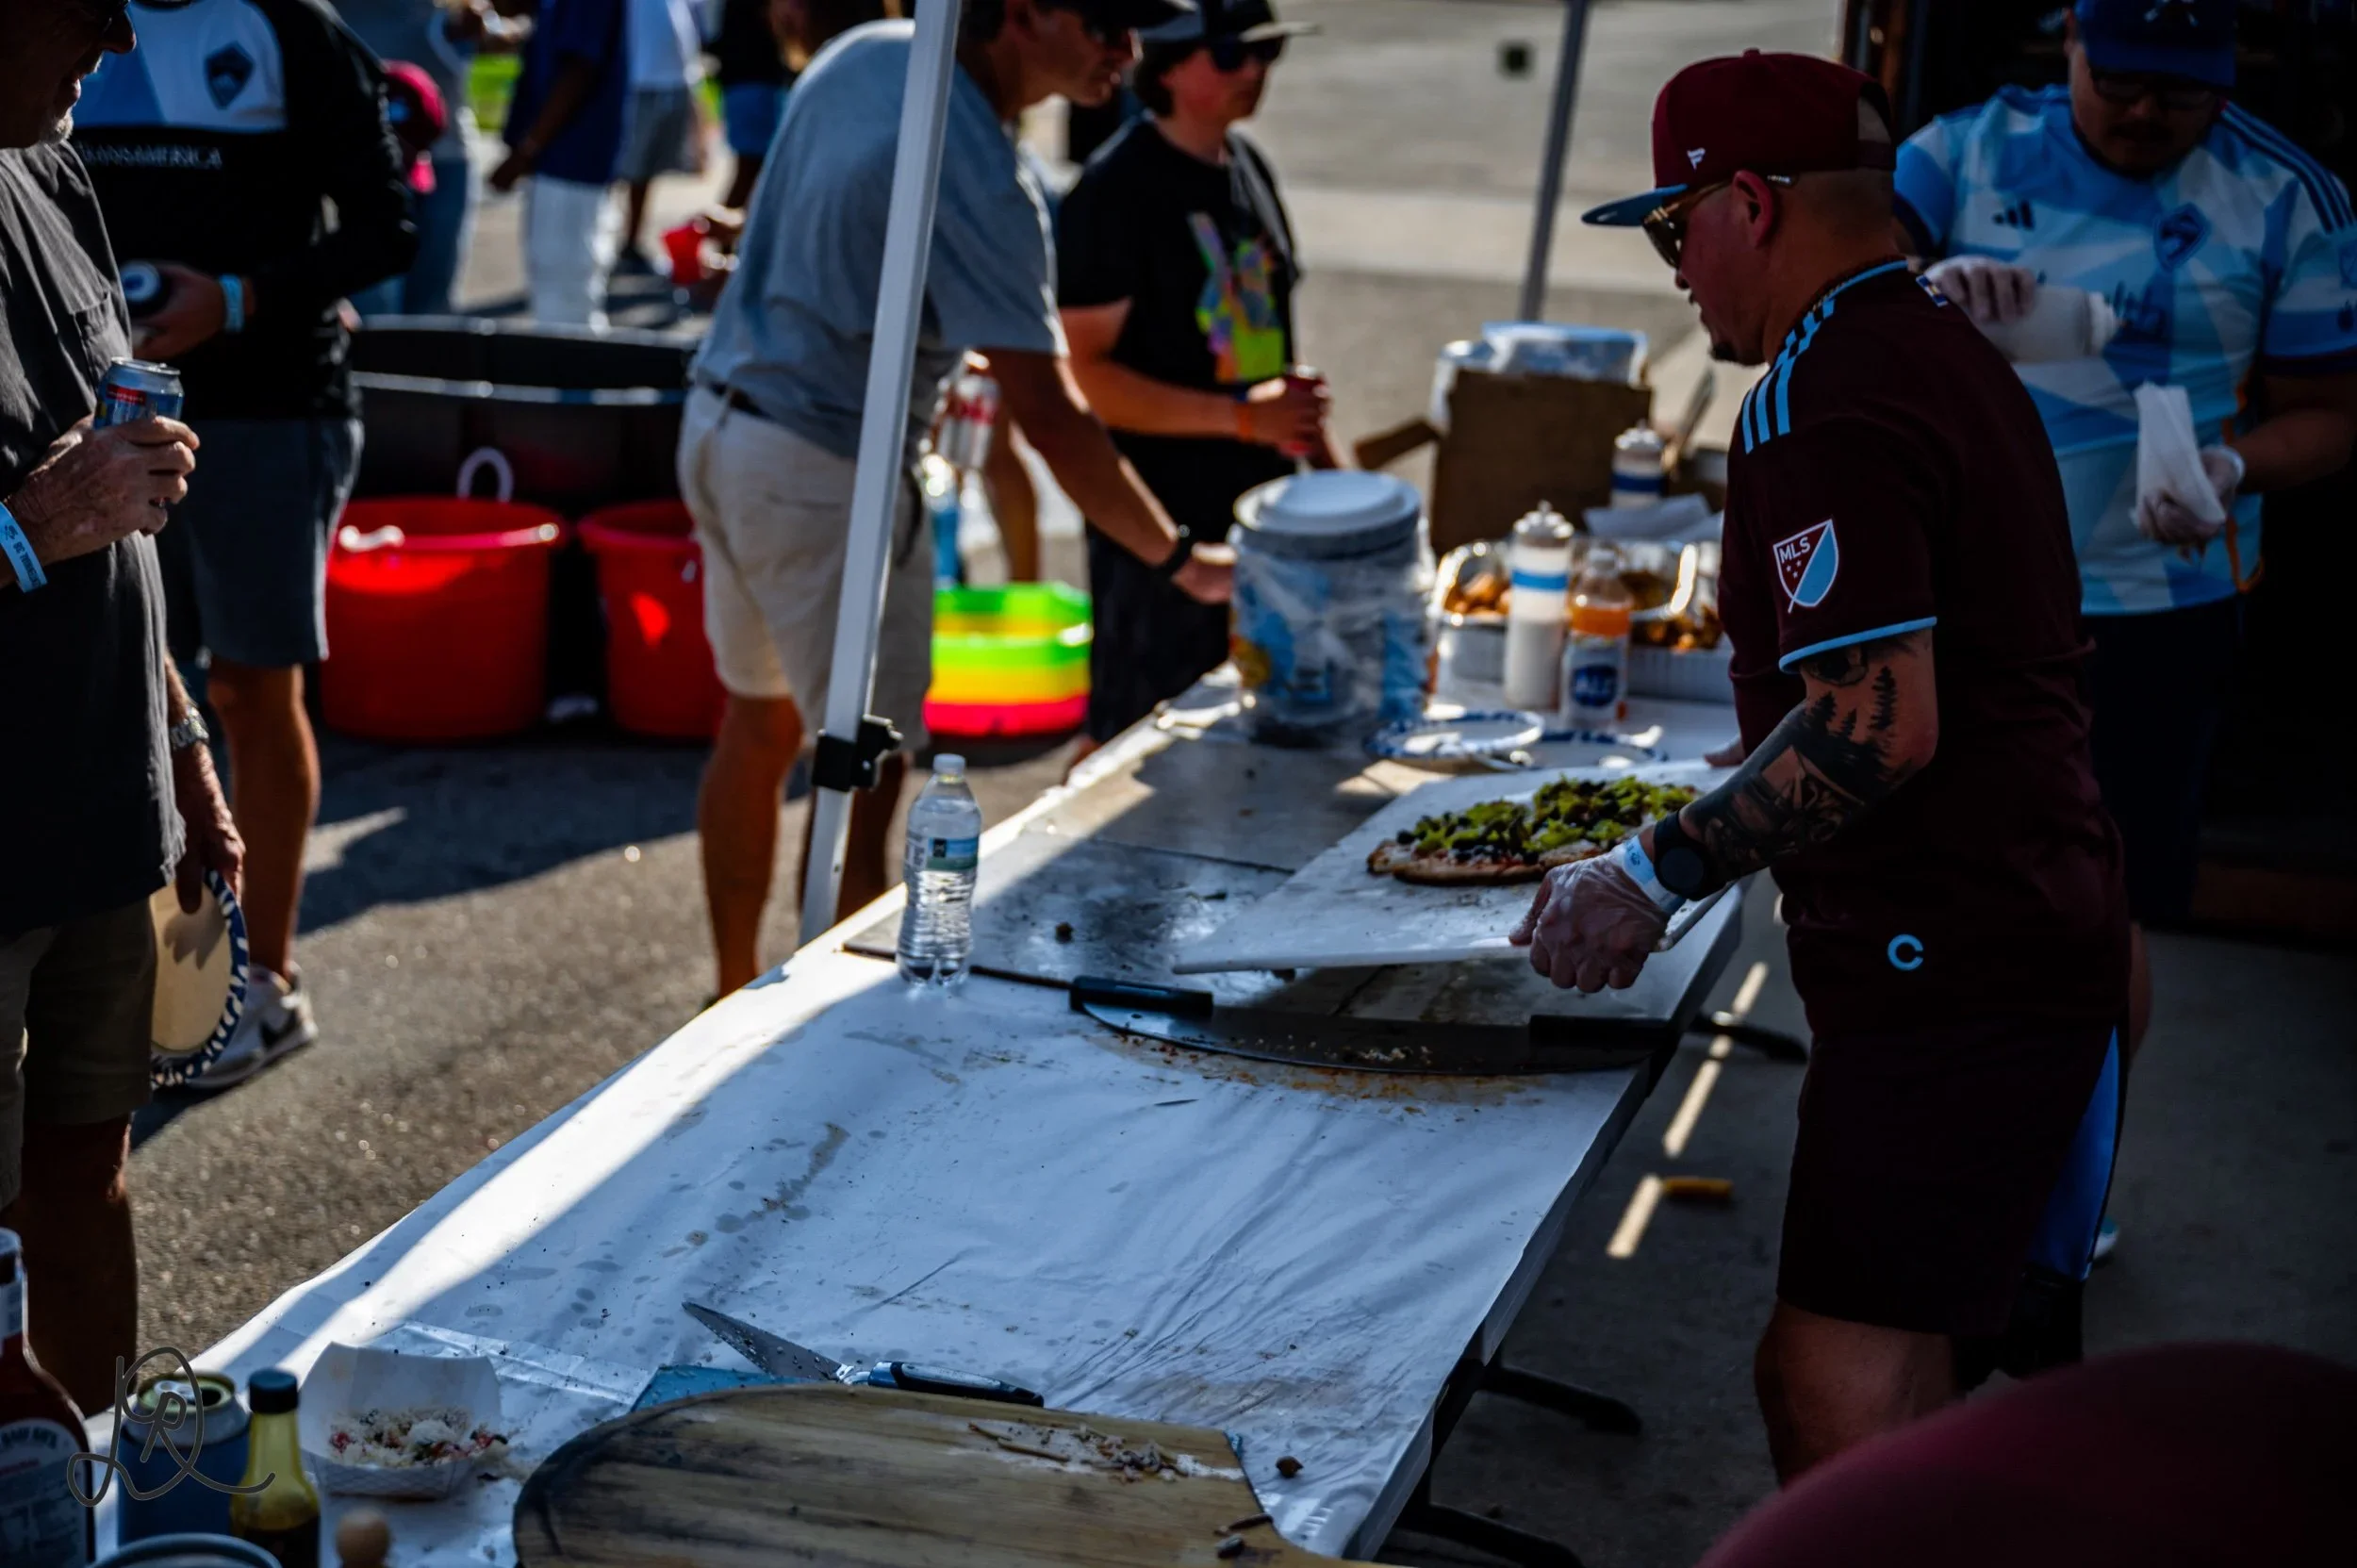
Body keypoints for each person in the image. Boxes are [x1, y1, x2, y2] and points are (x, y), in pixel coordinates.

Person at [1528, 52, 2128, 1478]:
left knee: (1832, 1399)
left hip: (1952, 961)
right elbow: (1919, 681)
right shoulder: (1933, 342)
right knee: (1909, 1394)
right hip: (2024, 925)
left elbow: (1878, 722)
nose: (1677, 270)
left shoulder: (1823, 393)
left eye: (1678, 228)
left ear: (1750, 201)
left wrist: (1650, 870)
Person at [1890, 0, 2357, 1239]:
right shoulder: (1955, 154)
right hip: (1956, 588)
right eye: (2126, 79)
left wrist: (2235, 469)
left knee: (2096, 907)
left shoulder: (2289, 196)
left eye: (2184, 90)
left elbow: (2329, 410)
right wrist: (1927, 289)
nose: (2148, 111)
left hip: (2156, 605)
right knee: (1930, 886)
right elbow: (1831, 321)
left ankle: (2063, 1181)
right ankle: (1925, 1150)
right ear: (2073, 46)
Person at [680, 0, 1232, 999]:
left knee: (756, 725)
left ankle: (725, 993)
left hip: (721, 423)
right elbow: (1051, 417)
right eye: (1108, 22)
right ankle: (815, 1022)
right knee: (871, 758)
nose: (1129, 48)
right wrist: (1178, 557)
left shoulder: (871, 51)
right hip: (822, 465)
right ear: (1021, 13)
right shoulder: (980, 166)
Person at [76, 0, 413, 1089]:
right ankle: (152, 979)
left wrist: (238, 296)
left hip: (273, 412)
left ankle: (265, 982)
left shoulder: (289, 28)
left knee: (253, 696)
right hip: (103, 421)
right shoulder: (61, 22)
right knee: (126, 692)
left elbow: (387, 226)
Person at [1, 0, 239, 1411]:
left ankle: (93, 1484)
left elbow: (119, 491)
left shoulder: (48, 160)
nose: (121, 38)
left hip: (102, 793)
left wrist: (186, 736)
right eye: (88, 5)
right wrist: (28, 529)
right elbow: (70, 505)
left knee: (87, 1171)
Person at [1055, 0, 1331, 749]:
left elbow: (1267, 347)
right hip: (1158, 527)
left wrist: (1331, 470)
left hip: (1263, 517)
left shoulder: (1245, 164)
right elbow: (1085, 378)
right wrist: (1244, 418)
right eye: (1236, 54)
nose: (1259, 72)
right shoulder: (1118, 190)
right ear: (1169, 65)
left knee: (1251, 736)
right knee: (1133, 740)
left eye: (1270, 52)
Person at [341, 0, 520, 316]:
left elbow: (494, 34)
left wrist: (481, 29)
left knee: (431, 310)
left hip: (445, 156)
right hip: (365, 159)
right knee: (375, 309)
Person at [491, 0, 631, 327]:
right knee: (554, 287)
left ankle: (576, 375)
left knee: (566, 295)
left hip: (573, 159)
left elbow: (579, 67)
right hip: (558, 159)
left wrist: (527, 149)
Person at [616, 0, 707, 272]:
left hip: (675, 83)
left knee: (646, 170)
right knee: (623, 167)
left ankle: (631, 240)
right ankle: (604, 236)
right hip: (638, 82)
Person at [711, 0, 790, 210]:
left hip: (749, 81)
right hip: (753, 82)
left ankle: (731, 235)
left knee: (754, 170)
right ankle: (724, 236)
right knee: (752, 168)